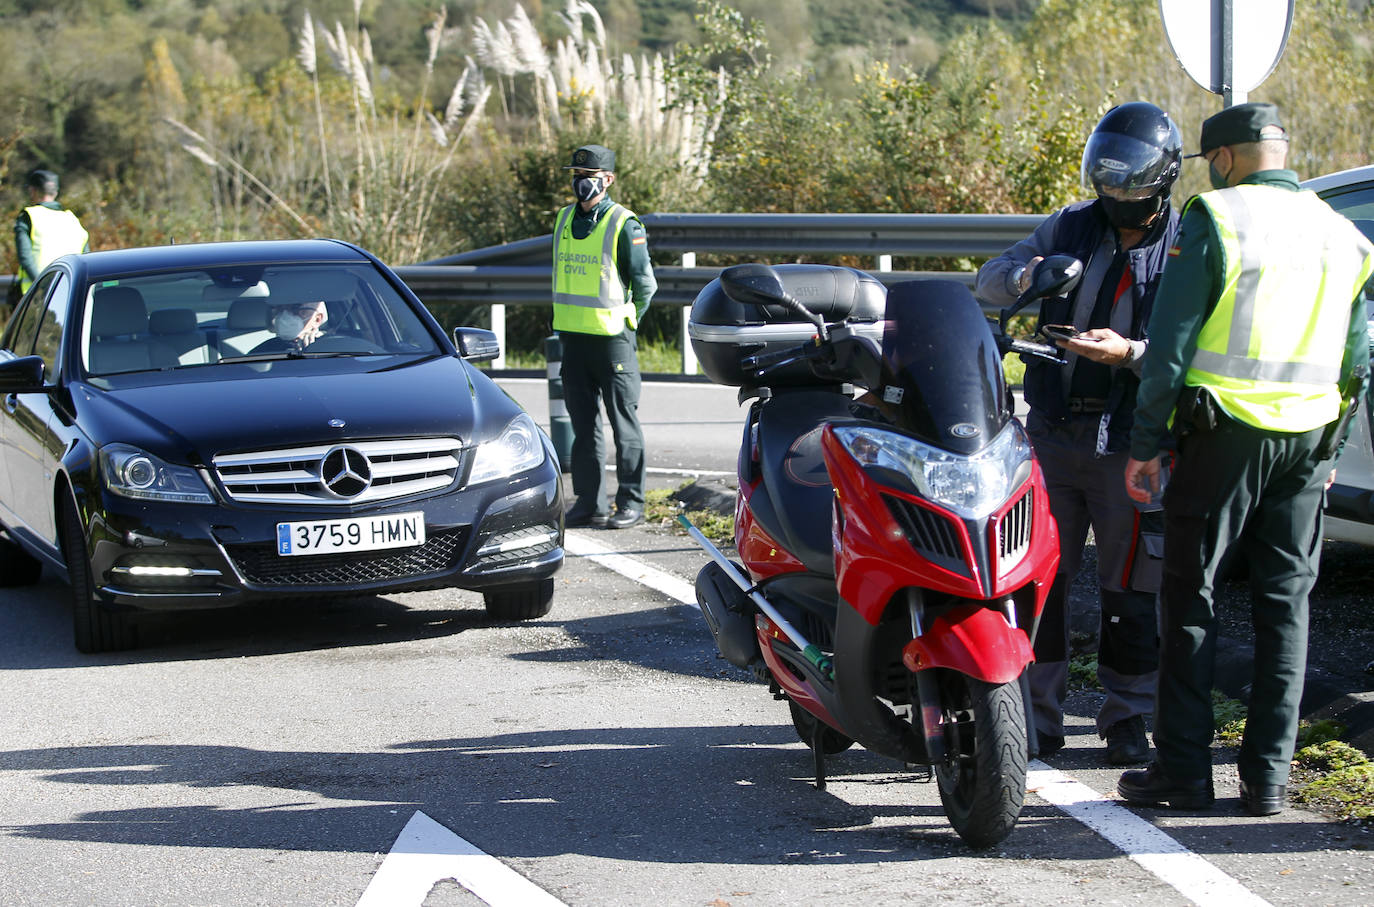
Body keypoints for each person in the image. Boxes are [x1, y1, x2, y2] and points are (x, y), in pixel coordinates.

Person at [1118, 102, 1374, 816]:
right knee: (1286, 607)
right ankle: (1268, 779)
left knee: (1191, 596)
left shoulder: (1218, 217)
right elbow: (1359, 360)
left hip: (1222, 435)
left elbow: (1170, 344)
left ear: (1224, 157)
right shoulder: (1344, 234)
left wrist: (1147, 443)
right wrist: (1327, 448)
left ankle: (1183, 773)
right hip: (1307, 442)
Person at [975, 102, 1183, 765]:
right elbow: (989, 279)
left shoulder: (1186, 242)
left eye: (1130, 183)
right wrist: (1032, 275)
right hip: (1056, 434)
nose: (1116, 195)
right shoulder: (1069, 224)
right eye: (1108, 181)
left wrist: (1132, 353)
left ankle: (1128, 718)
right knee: (1039, 580)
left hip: (1134, 444)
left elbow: (1196, 343)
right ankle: (1036, 715)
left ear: (1162, 178)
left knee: (1132, 588)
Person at [553, 143, 657, 530]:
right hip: (574, 340)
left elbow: (645, 284)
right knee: (584, 429)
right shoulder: (564, 220)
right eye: (577, 176)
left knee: (622, 423)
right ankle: (589, 502)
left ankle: (631, 501)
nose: (582, 183)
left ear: (608, 180)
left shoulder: (623, 223)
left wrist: (629, 321)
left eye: (590, 177)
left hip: (613, 340)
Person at [14, 168, 89, 295]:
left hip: (36, 295)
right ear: (56, 192)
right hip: (68, 292)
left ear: (33, 191)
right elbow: (86, 259)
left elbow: (25, 257)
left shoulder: (29, 216)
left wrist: (43, 286)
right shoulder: (73, 220)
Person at [250, 300, 328, 353]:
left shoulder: (331, 347)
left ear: (317, 319)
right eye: (280, 308)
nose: (285, 314)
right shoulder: (265, 350)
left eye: (295, 308)